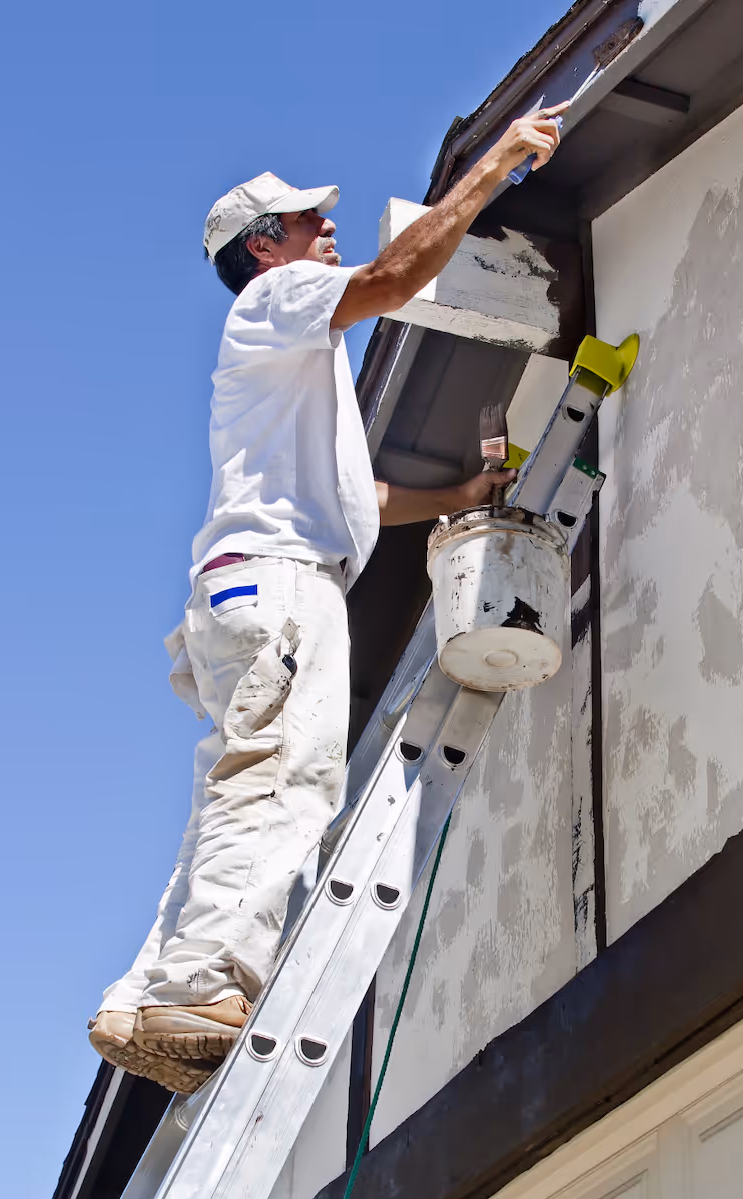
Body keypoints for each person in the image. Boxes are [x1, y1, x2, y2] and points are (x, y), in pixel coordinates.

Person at [87, 103, 568, 1094]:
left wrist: (458, 500)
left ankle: (147, 994)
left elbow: (359, 499)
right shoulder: (276, 302)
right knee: (281, 782)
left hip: (247, 586)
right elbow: (394, 280)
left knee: (233, 793)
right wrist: (491, 170)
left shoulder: (292, 374)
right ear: (265, 247)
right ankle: (203, 985)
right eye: (308, 219)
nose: (326, 228)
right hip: (280, 584)